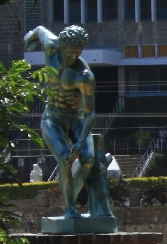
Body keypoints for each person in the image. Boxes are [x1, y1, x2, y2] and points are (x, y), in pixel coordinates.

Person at [23, 24, 111, 219]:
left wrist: (80, 143)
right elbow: (39, 30)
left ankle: (70, 199)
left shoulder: (84, 75)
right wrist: (29, 38)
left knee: (88, 161)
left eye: (78, 51)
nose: (74, 55)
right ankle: (69, 208)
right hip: (52, 117)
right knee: (64, 158)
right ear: (62, 46)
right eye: (71, 51)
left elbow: (90, 113)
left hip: (77, 118)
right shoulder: (51, 46)